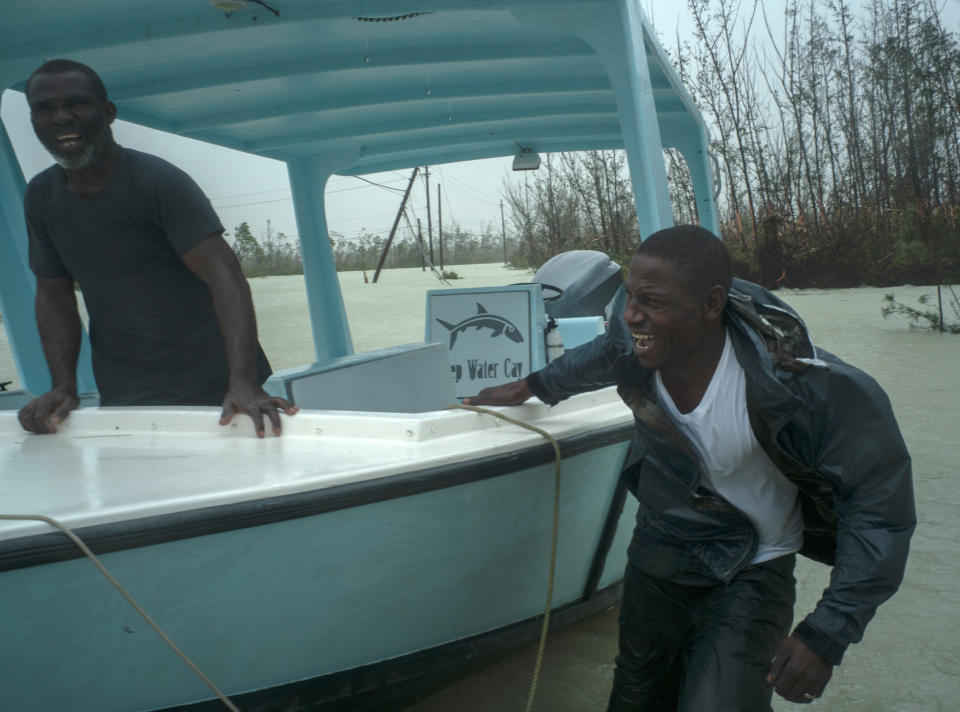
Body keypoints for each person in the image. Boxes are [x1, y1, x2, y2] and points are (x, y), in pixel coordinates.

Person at [465, 225, 915, 711]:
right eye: (629, 296)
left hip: (752, 567)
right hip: (660, 552)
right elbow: (601, 354)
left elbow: (878, 511)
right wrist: (532, 385)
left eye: (653, 302)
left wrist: (828, 631)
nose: (632, 315)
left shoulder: (810, 386)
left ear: (711, 303)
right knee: (635, 701)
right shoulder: (634, 338)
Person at [16, 59, 298, 438]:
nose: (61, 117)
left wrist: (243, 382)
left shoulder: (158, 183)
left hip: (219, 394)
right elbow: (53, 294)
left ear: (109, 113)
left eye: (77, 104)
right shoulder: (40, 196)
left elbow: (225, 277)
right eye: (44, 108)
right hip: (124, 396)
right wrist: (63, 386)